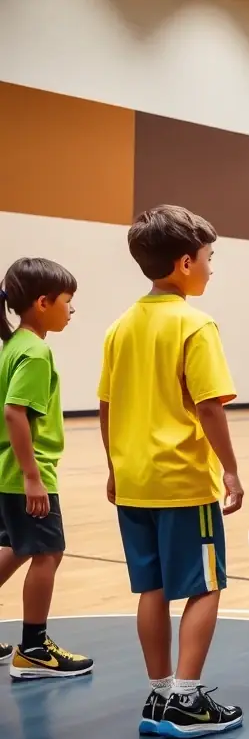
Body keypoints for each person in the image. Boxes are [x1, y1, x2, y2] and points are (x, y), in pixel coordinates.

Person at [99, 204, 244, 739]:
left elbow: (107, 407)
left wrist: (115, 467)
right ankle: (186, 699)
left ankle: (160, 693)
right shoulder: (196, 324)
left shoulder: (120, 327)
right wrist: (231, 471)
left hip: (135, 479)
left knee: (152, 587)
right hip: (183, 480)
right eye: (209, 258)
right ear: (185, 263)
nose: (211, 267)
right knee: (205, 587)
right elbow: (209, 407)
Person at [0, 257, 93, 679]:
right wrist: (34, 477)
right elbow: (15, 414)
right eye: (67, 301)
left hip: (6, 473)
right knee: (47, 551)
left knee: (16, 547)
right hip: (26, 475)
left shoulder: (14, 346)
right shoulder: (35, 352)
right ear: (42, 303)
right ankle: (34, 648)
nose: (72, 310)